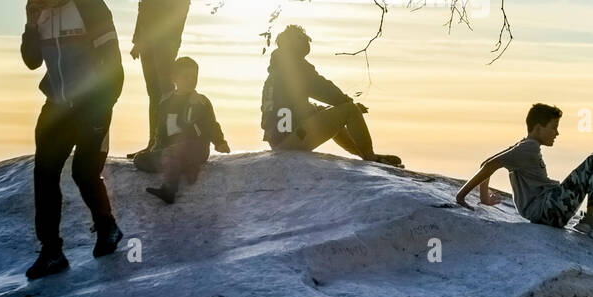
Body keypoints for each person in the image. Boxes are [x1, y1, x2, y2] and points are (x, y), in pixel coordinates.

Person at [20, 0, 125, 279]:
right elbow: (32, 61)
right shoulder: (40, 14)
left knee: (84, 171)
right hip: (57, 105)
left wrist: (103, 104)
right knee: (45, 175)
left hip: (93, 103)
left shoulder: (90, 6)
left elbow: (114, 64)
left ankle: (107, 226)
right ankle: (51, 251)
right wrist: (30, 26)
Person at [453, 103, 593, 251]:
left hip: (545, 208)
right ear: (538, 128)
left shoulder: (523, 146)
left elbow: (487, 162)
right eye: (553, 127)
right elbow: (489, 165)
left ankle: (592, 220)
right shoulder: (527, 148)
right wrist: (461, 196)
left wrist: (484, 197)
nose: (557, 133)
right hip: (546, 209)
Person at [260, 24, 401, 166]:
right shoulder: (296, 67)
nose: (307, 42)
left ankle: (364, 154)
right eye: (303, 39)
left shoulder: (275, 75)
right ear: (296, 43)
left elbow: (293, 106)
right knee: (349, 110)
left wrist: (326, 110)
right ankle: (370, 157)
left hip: (280, 139)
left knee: (332, 113)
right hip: (291, 139)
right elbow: (326, 90)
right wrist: (347, 102)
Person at [128, 0, 191, 158]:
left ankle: (169, 142)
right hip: (149, 40)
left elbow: (181, 7)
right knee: (155, 92)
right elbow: (144, 7)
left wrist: (171, 37)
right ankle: (155, 142)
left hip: (164, 40)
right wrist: (138, 40)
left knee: (166, 92)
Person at [145, 57, 231, 204]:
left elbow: (211, 124)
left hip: (196, 147)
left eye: (194, 77)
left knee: (172, 153)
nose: (191, 80)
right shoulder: (165, 102)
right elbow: (161, 129)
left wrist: (219, 142)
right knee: (141, 160)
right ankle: (186, 166)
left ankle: (169, 190)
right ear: (174, 78)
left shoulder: (200, 101)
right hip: (170, 150)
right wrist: (156, 147)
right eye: (186, 77)